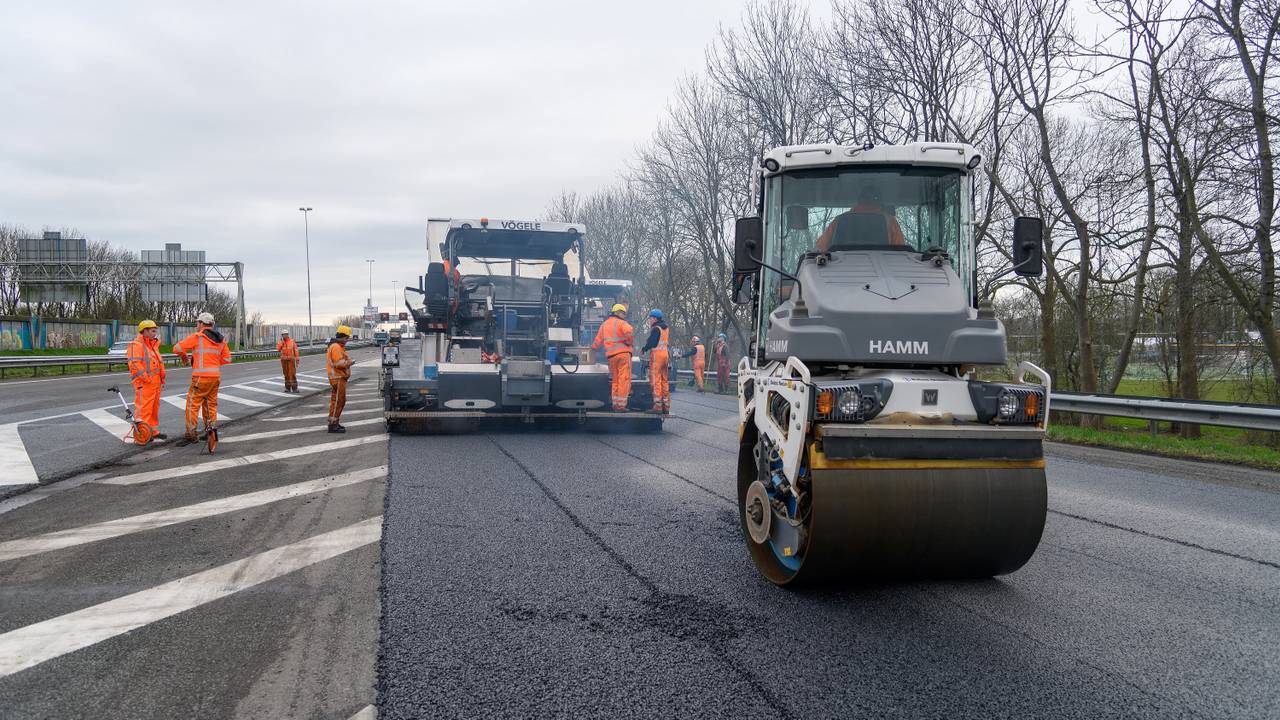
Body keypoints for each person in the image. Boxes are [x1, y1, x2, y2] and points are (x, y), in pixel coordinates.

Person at [173, 312, 230, 446]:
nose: (196, 325)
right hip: (215, 378)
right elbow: (227, 359)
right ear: (212, 324)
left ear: (201, 324)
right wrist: (214, 363)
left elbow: (176, 348)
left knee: (192, 405)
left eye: (197, 323)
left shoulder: (197, 337)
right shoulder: (221, 340)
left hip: (200, 378)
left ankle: (191, 435)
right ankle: (210, 432)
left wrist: (184, 357)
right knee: (211, 405)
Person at [815, 186, 906, 252]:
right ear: (879, 202)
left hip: (842, 269)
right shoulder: (890, 221)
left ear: (859, 201)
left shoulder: (839, 220)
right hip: (883, 269)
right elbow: (900, 251)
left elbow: (821, 247)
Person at [126, 319, 167, 442]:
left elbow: (157, 364)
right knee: (144, 408)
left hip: (155, 383)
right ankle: (141, 435)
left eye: (155, 330)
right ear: (144, 331)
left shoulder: (153, 345)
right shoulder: (136, 345)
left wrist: (161, 379)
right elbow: (134, 364)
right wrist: (146, 379)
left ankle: (152, 431)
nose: (155, 332)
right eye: (152, 330)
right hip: (144, 383)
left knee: (153, 408)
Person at [592, 303, 634, 411]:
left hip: (611, 357)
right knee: (624, 380)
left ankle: (615, 404)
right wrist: (629, 342)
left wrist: (593, 349)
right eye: (623, 313)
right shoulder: (622, 323)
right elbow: (629, 332)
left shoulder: (604, 325)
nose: (624, 315)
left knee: (615, 380)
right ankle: (621, 405)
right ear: (618, 313)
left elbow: (598, 340)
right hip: (623, 355)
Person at [639, 309, 670, 414]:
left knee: (656, 380)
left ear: (655, 318)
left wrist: (644, 348)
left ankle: (657, 406)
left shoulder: (656, 329)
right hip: (665, 356)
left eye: (650, 318)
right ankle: (666, 406)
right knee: (664, 381)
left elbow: (652, 342)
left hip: (657, 357)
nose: (649, 320)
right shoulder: (665, 328)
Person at [326, 325, 356, 433]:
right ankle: (333, 425)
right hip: (338, 378)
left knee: (336, 401)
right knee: (340, 401)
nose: (347, 340)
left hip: (337, 378)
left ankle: (333, 422)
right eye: (347, 338)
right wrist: (350, 362)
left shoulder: (337, 347)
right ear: (342, 337)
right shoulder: (336, 347)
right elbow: (339, 363)